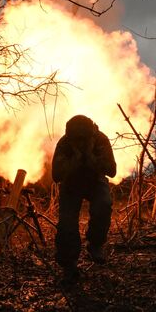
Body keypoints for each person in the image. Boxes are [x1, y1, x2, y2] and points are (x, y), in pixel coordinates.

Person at [51, 115, 116, 283]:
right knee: (66, 223)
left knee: (104, 205)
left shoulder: (100, 140)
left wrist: (90, 157)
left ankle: (95, 244)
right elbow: (56, 175)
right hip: (71, 184)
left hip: (95, 181)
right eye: (76, 140)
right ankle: (69, 265)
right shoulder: (65, 143)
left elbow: (111, 170)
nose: (79, 142)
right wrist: (76, 159)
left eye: (83, 140)